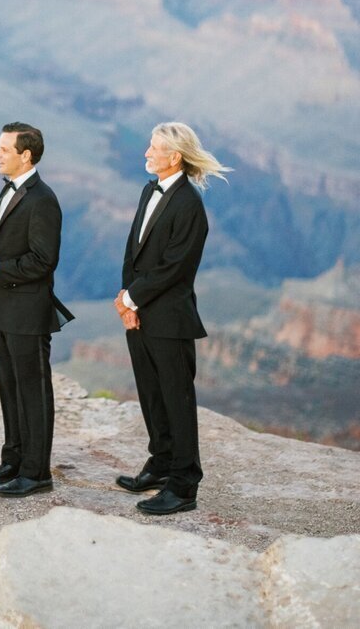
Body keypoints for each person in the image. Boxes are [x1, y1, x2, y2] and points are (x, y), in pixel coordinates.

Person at [114, 122, 231, 515]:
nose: (146, 154)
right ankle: (161, 463)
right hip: (141, 314)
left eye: (153, 148)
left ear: (174, 157)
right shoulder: (150, 190)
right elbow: (135, 251)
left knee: (177, 401)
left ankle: (183, 486)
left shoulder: (188, 205)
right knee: (150, 394)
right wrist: (128, 304)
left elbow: (175, 267)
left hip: (170, 320)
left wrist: (132, 296)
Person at [0, 123, 72, 497]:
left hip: (28, 311)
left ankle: (37, 472)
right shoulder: (7, 191)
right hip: (5, 308)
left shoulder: (43, 199)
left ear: (26, 155)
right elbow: (9, 244)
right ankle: (14, 458)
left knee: (34, 390)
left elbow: (44, 261)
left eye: (4, 149)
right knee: (9, 386)